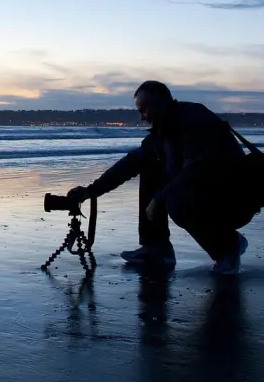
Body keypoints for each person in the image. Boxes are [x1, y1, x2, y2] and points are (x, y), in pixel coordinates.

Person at [67, 80, 250, 274]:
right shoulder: (162, 134)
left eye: (143, 110)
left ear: (160, 103)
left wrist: (159, 199)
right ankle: (156, 248)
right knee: (149, 167)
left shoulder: (194, 119)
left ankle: (228, 246)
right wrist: (90, 191)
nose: (142, 118)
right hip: (207, 192)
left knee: (176, 201)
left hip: (234, 196)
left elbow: (197, 170)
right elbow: (129, 164)